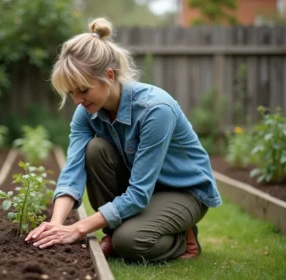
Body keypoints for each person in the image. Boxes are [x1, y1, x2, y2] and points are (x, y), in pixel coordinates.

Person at [25, 18, 222, 262]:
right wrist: (55, 225)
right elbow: (73, 170)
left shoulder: (155, 109)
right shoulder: (87, 112)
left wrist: (78, 228)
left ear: (108, 75)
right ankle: (120, 230)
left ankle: (183, 239)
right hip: (145, 190)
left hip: (183, 191)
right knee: (95, 150)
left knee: (129, 243)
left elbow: (139, 193)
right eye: (71, 93)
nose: (77, 100)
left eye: (83, 90)